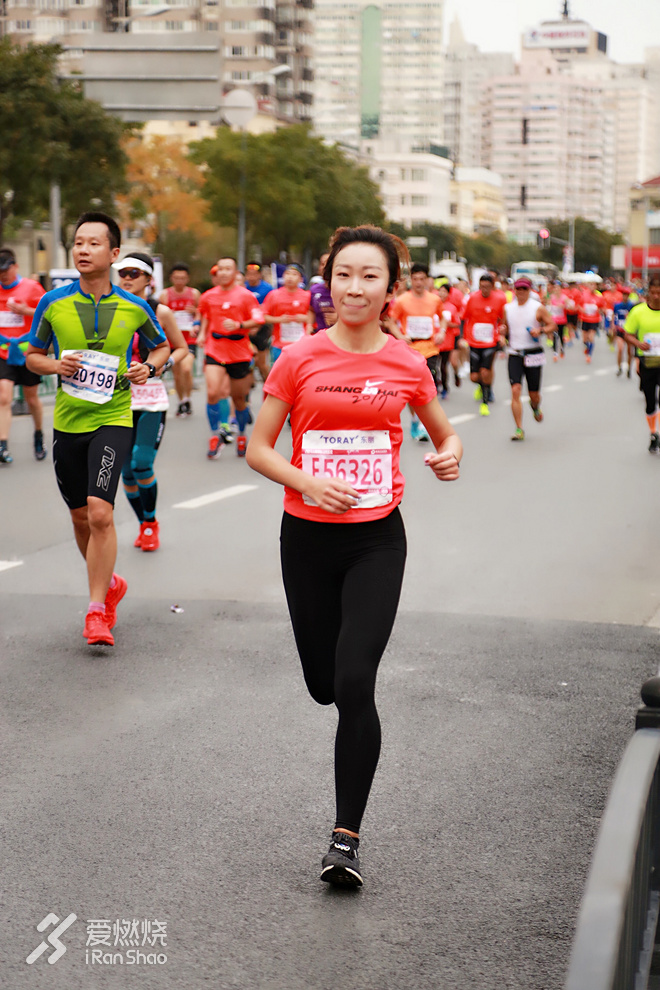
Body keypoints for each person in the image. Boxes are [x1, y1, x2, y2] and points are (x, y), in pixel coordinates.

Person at [246, 225, 462, 887]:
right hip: (306, 538)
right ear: (328, 281)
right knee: (322, 684)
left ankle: (345, 838)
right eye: (344, 275)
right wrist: (307, 481)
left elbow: (445, 433)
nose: (355, 287)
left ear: (391, 289)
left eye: (370, 276)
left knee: (353, 684)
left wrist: (448, 455)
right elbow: (259, 447)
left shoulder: (405, 362)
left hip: (376, 539)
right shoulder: (298, 357)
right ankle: (331, 691)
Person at [25, 211, 169, 646]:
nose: (83, 250)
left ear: (114, 252)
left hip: (113, 417)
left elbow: (162, 346)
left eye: (93, 243)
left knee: (101, 512)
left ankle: (96, 612)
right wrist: (54, 364)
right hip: (69, 421)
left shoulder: (134, 306)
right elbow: (32, 354)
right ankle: (110, 585)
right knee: (80, 515)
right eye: (78, 243)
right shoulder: (53, 303)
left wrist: (148, 367)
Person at [116, 253, 189, 551]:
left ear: (149, 279)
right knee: (126, 473)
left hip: (151, 400)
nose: (127, 278)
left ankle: (150, 523)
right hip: (117, 400)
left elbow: (181, 349)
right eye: (123, 272)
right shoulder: (110, 308)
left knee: (142, 464)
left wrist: (158, 366)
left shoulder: (162, 312)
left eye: (135, 273)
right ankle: (143, 523)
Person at [196, 256, 264, 459]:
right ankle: (215, 435)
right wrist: (200, 333)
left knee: (239, 399)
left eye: (228, 269)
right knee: (213, 392)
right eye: (221, 269)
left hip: (239, 350)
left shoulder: (245, 296)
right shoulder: (208, 296)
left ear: (235, 273)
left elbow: (259, 319)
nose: (224, 272)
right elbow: (205, 316)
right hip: (215, 348)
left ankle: (242, 435)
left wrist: (239, 325)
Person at [388, 262, 446, 440]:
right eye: (415, 279)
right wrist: (399, 335)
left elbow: (443, 319)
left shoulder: (434, 299)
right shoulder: (402, 300)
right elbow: (390, 321)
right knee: (412, 390)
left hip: (429, 348)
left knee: (430, 387)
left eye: (422, 279)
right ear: (410, 280)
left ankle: (424, 421)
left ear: (427, 280)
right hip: (410, 349)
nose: (418, 282)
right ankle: (415, 420)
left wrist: (442, 331)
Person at [0, 248, 46, 464]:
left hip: (28, 352)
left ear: (15, 266)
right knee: (4, 396)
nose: (3, 274)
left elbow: (48, 312)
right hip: (3, 351)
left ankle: (38, 434)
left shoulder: (31, 287)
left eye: (6, 269)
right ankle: (3, 445)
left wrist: (25, 311)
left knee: (32, 399)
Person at [502, 277, 556, 441]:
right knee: (515, 390)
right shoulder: (508, 308)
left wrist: (540, 331)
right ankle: (519, 428)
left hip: (533, 353)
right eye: (518, 289)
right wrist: (502, 332)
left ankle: (535, 407)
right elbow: (504, 327)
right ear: (514, 290)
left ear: (530, 290)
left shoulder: (537, 308)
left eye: (524, 289)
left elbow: (552, 325)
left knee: (534, 395)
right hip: (515, 353)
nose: (521, 292)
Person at [621, 275, 660, 452]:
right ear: (648, 293)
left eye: (659, 293)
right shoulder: (638, 312)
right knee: (650, 401)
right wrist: (638, 344)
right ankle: (653, 433)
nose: (656, 296)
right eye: (653, 293)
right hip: (647, 362)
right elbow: (627, 333)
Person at [461, 273, 506, 417]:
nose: (484, 290)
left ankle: (485, 401)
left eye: (487, 287)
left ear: (493, 287)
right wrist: (462, 337)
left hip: (490, 341)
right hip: (474, 341)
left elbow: (503, 320)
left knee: (486, 371)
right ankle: (482, 386)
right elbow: (464, 318)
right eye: (482, 287)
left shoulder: (500, 299)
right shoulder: (472, 298)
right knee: (474, 376)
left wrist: (502, 335)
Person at [159, 263, 200, 418]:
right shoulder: (165, 295)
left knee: (186, 368)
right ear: (171, 278)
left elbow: (201, 313)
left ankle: (188, 398)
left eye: (182, 278)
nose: (179, 281)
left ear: (187, 278)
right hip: (171, 341)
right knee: (177, 374)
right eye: (176, 278)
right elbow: (159, 316)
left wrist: (195, 315)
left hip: (189, 339)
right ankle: (182, 401)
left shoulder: (194, 294)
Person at [261, 263, 312, 362]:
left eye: (294, 274)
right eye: (287, 273)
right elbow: (263, 316)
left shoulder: (308, 296)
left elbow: (315, 317)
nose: (290, 277)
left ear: (301, 279)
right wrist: (279, 319)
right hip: (279, 345)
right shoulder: (274, 295)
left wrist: (305, 318)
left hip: (302, 344)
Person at [244, 262, 273, 382]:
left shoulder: (267, 289)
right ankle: (246, 394)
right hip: (246, 328)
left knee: (261, 364)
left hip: (262, 328)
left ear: (259, 275)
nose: (251, 277)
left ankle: (269, 385)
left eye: (254, 274)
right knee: (247, 363)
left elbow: (269, 310)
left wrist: (257, 326)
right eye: (249, 274)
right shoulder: (243, 288)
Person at [308, 253, 337, 333]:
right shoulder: (314, 290)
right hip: (321, 336)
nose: (324, 267)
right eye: (322, 264)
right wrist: (309, 325)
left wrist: (339, 318)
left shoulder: (346, 289)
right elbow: (311, 310)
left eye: (328, 263)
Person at [613, 286, 636, 378]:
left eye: (627, 295)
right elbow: (615, 316)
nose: (625, 297)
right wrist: (613, 326)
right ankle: (619, 368)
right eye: (624, 295)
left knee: (629, 351)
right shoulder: (617, 305)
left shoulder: (632, 306)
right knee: (620, 349)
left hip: (629, 331)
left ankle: (629, 368)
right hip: (620, 330)